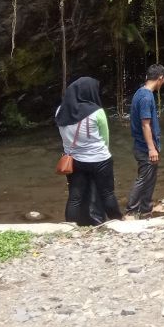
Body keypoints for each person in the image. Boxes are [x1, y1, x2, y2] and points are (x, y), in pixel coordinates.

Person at [55, 77, 122, 226]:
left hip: (75, 161)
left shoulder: (60, 111)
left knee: (75, 197)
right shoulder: (97, 112)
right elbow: (105, 138)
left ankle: (70, 225)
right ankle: (117, 221)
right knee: (107, 194)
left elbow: (63, 135)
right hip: (100, 160)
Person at [125, 64, 164, 219]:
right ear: (160, 78)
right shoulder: (146, 97)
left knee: (150, 177)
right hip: (144, 146)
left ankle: (146, 208)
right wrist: (151, 148)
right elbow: (145, 124)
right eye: (163, 80)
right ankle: (131, 210)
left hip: (145, 144)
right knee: (144, 178)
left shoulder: (140, 92)